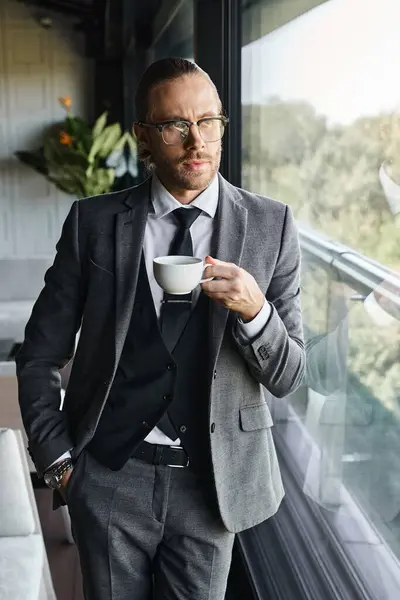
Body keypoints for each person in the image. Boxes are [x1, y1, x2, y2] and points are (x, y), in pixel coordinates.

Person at [16, 58, 305, 600]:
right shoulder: (93, 223)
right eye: (175, 125)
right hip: (107, 477)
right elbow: (38, 356)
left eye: (208, 122)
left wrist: (255, 311)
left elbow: (290, 374)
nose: (196, 140)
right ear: (144, 137)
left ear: (222, 126)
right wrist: (60, 464)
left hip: (213, 485)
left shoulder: (272, 225)